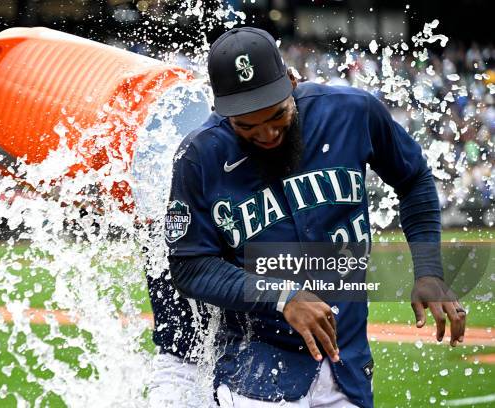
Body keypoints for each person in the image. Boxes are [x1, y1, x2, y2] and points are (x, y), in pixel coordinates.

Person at [165, 27, 467, 407]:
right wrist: (281, 296)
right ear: (220, 108)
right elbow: (189, 265)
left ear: (292, 81)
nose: (268, 133)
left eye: (277, 115)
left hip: (348, 365)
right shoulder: (199, 157)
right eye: (247, 126)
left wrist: (428, 270)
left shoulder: (351, 112)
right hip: (257, 371)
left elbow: (414, 178)